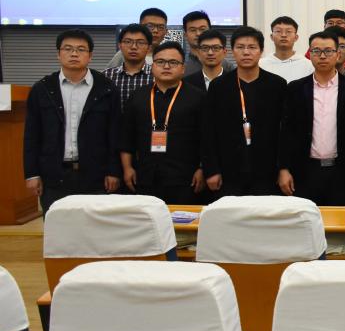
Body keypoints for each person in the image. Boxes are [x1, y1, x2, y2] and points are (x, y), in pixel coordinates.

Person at [24, 30, 121, 212]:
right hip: (54, 175)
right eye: (68, 49)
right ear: (58, 54)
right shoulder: (42, 88)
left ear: (90, 56)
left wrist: (114, 171)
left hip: (95, 175)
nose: (74, 54)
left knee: (94, 227)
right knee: (58, 227)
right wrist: (32, 173)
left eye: (81, 49)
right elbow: (32, 134)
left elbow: (114, 134)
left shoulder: (106, 88)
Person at [278, 30, 345, 206]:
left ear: (338, 54)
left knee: (341, 219)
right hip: (304, 171)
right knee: (304, 219)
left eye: (328, 51)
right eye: (316, 51)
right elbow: (286, 131)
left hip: (343, 172)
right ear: (310, 54)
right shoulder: (295, 89)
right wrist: (284, 169)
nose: (322, 56)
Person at [202, 26, 287, 196]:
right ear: (232, 51)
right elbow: (208, 130)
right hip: (228, 170)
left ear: (261, 51)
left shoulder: (277, 85)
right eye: (240, 47)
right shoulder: (219, 86)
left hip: (267, 170)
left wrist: (284, 168)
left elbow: (285, 131)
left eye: (252, 47)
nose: (246, 52)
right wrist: (212, 169)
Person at [120, 42, 205, 204]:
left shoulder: (198, 97)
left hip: (185, 178)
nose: (166, 66)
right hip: (144, 176)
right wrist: (127, 168)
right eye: (160, 62)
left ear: (183, 68)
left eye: (173, 62)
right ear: (152, 66)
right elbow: (126, 137)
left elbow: (206, 138)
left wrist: (202, 169)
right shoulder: (138, 96)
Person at [103, 23, 154, 111]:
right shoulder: (106, 76)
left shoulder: (156, 75)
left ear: (149, 48)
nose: (134, 47)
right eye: (128, 42)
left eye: (140, 42)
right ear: (120, 45)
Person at [260, 15, 314, 83]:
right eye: (278, 31)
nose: (283, 35)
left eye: (288, 31)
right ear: (271, 37)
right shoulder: (261, 65)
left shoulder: (308, 66)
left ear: (296, 37)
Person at [183, 10, 235, 76]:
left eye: (202, 29)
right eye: (193, 30)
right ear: (185, 35)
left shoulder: (227, 66)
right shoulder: (181, 67)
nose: (198, 33)